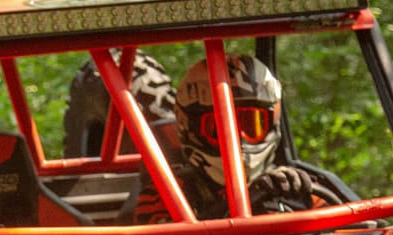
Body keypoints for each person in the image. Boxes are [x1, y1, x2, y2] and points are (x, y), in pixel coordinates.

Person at [125, 53, 317, 223]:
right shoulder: (166, 195)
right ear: (189, 128)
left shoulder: (290, 184)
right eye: (219, 127)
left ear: (271, 125)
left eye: (251, 124)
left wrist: (297, 198)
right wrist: (249, 199)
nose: (238, 141)